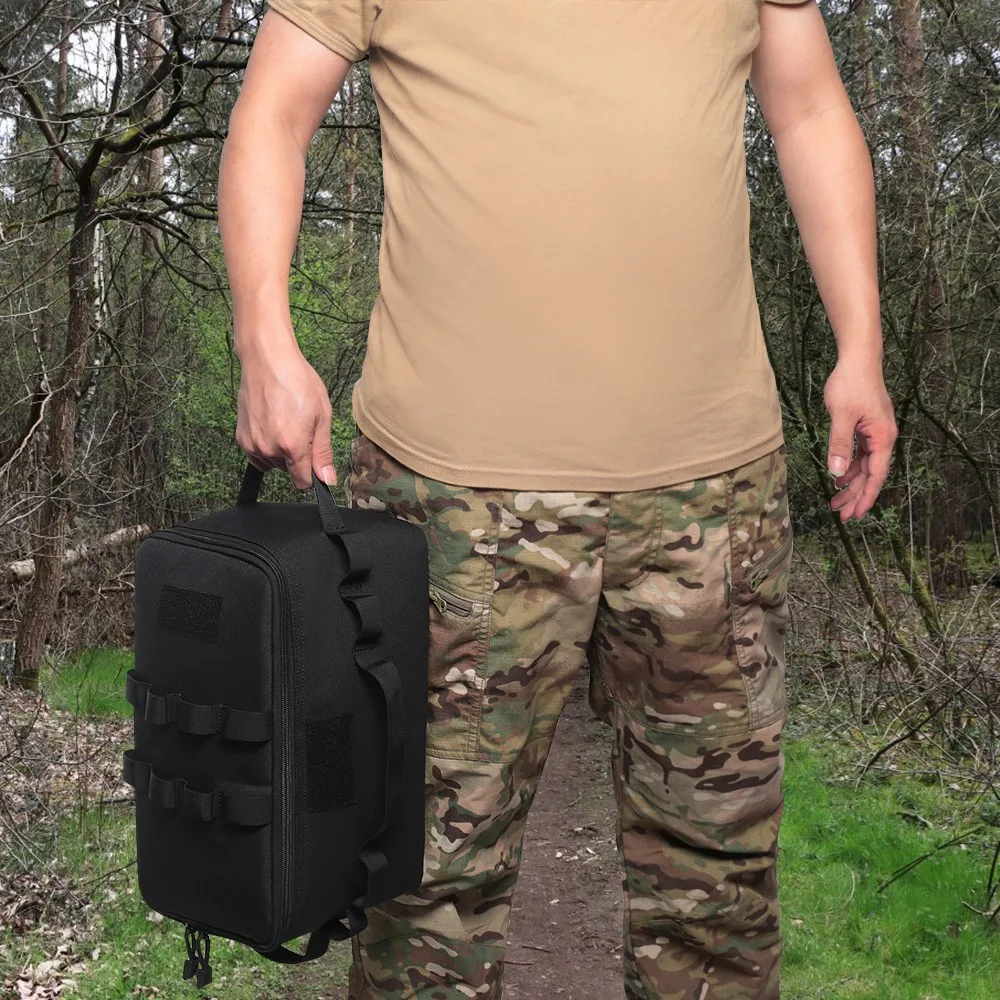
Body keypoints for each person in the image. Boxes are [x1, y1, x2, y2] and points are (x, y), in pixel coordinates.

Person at [218, 1, 897, 997]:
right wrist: (263, 341)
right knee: (425, 895)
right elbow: (270, 115)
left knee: (718, 899)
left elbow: (808, 110)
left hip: (712, 496)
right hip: (450, 499)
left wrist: (861, 348)